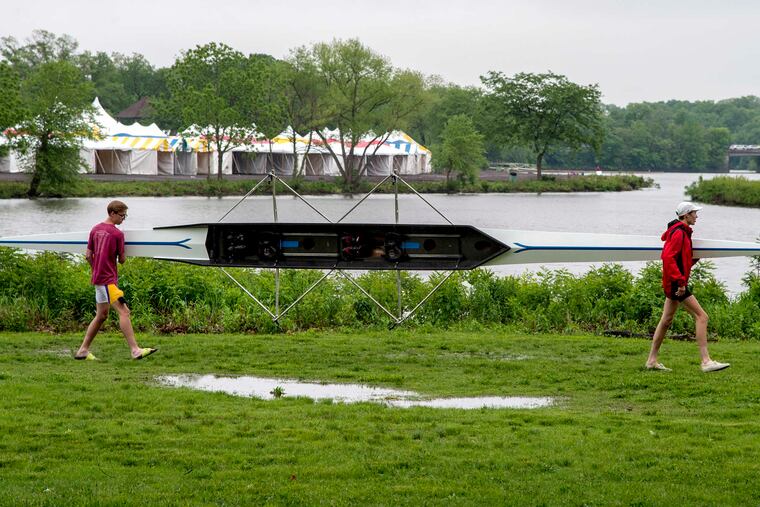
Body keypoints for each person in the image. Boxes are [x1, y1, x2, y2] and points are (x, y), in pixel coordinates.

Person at [645, 202, 729, 373]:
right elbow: (668, 258)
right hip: (676, 283)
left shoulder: (681, 233)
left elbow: (678, 260)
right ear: (686, 215)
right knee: (702, 316)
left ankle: (651, 360)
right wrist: (681, 283)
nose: (696, 216)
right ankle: (706, 361)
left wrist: (693, 261)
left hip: (674, 281)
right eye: (694, 213)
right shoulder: (679, 234)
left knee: (666, 320)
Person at [75, 200, 157, 361]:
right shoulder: (117, 234)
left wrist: (96, 268)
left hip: (98, 280)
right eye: (122, 215)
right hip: (108, 281)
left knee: (101, 316)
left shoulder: (95, 229)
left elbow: (87, 255)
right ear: (112, 213)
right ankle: (135, 350)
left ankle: (82, 351)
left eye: (125, 216)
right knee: (124, 312)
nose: (123, 219)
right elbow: (123, 260)